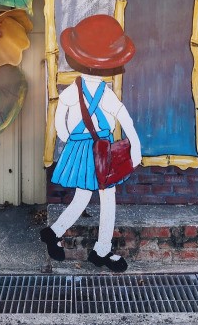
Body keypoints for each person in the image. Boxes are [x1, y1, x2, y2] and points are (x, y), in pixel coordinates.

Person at [39, 14, 142, 272]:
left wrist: (70, 140)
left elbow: (59, 121)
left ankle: (54, 233)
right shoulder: (105, 94)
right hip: (101, 152)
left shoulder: (71, 91)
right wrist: (136, 149)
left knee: (82, 197)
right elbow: (125, 118)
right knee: (107, 198)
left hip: (80, 148)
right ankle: (101, 250)